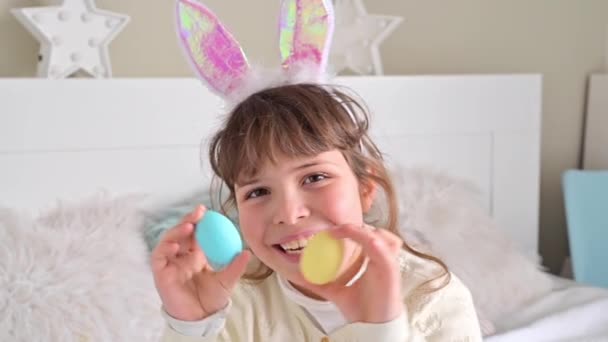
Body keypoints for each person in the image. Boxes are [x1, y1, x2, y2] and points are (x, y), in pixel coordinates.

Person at [154, 0, 482, 341]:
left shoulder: (432, 300)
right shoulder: (229, 302)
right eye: (258, 192)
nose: (288, 213)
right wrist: (190, 328)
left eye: (314, 177)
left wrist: (379, 331)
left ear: (365, 189)